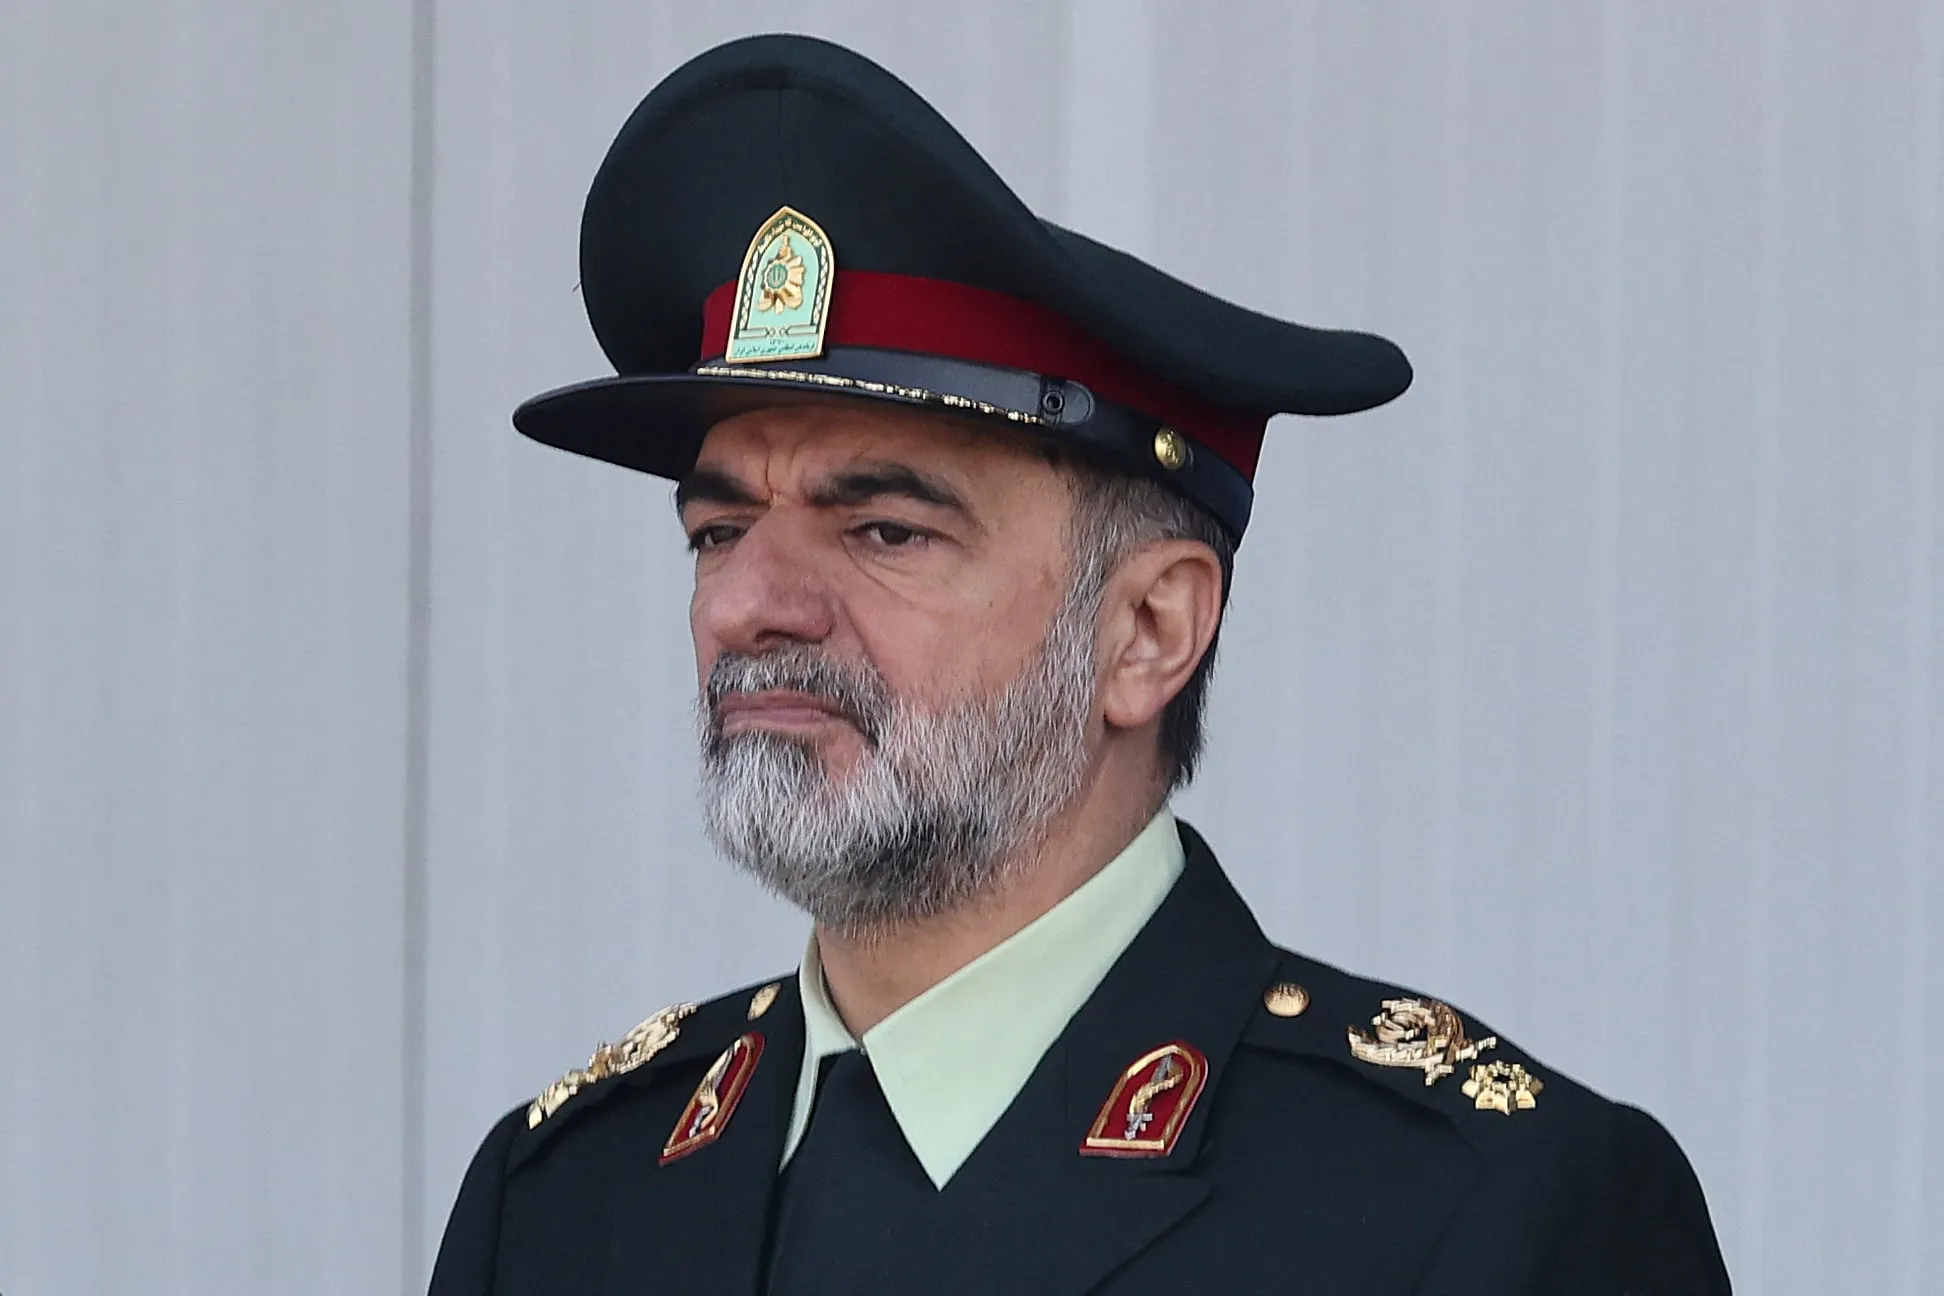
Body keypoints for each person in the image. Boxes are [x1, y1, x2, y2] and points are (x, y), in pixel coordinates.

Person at [429, 32, 1730, 1296]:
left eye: (885, 531)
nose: (748, 605)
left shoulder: (1479, 1212)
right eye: (719, 532)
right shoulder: (560, 1198)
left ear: (1149, 631)